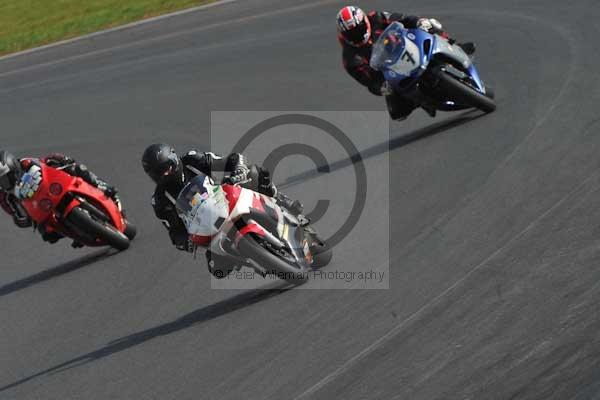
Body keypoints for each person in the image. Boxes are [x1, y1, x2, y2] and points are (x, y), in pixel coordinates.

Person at [141, 144, 304, 277]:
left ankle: (281, 200)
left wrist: (238, 169)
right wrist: (185, 241)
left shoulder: (191, 159)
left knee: (255, 173)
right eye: (157, 173)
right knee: (217, 269)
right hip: (207, 228)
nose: (164, 174)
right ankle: (259, 259)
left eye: (166, 168)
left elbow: (230, 160)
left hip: (224, 198)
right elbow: (175, 232)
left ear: (174, 160)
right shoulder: (160, 200)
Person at [336, 6, 476, 120]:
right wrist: (381, 87)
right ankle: (422, 100)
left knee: (429, 24)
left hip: (407, 46)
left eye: (357, 29)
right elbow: (368, 80)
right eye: (351, 33)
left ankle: (454, 46)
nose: (356, 35)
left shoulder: (376, 17)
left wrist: (418, 22)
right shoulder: (350, 58)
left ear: (364, 22)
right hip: (391, 73)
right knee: (398, 113)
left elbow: (403, 19)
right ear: (344, 35)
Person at [0, 150, 120, 247]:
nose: (4, 183)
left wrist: (63, 161)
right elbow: (15, 214)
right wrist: (22, 219)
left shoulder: (26, 163)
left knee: (79, 169)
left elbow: (46, 161)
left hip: (54, 186)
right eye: (1, 182)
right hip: (41, 208)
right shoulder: (4, 195)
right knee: (48, 235)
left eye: (5, 178)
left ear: (13, 166)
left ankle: (102, 186)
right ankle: (77, 231)